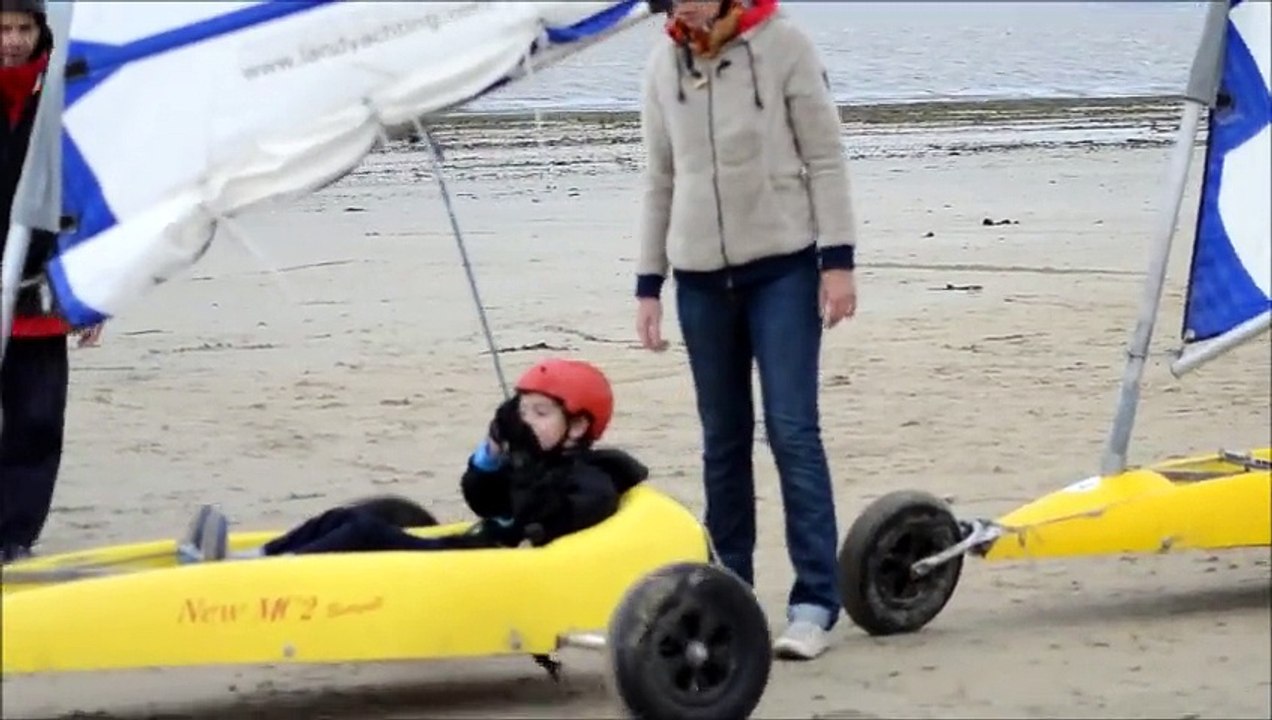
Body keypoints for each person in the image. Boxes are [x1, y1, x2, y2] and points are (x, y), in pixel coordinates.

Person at [633, 0, 858, 660]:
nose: (690, 5)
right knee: (722, 442)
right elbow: (659, 179)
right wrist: (649, 283)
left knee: (791, 430)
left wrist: (836, 261)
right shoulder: (661, 63)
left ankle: (816, 600)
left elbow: (825, 155)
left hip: (782, 270)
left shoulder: (784, 44)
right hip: (700, 280)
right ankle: (730, 592)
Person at [182, 358, 645, 560]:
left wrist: (523, 465)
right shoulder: (534, 459)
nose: (528, 422)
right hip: (478, 547)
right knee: (348, 517)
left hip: (495, 566)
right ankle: (253, 556)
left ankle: (259, 572)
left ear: (580, 426)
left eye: (541, 414)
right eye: (522, 412)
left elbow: (546, 515)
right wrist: (492, 456)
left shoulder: (591, 479)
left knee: (365, 533)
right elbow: (483, 502)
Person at [0, 0, 103, 563]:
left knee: (37, 420)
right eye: (3, 29)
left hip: (41, 292)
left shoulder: (62, 98)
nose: (12, 41)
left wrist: (95, 293)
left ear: (41, 31)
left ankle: (15, 539)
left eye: (23, 28)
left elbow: (87, 197)